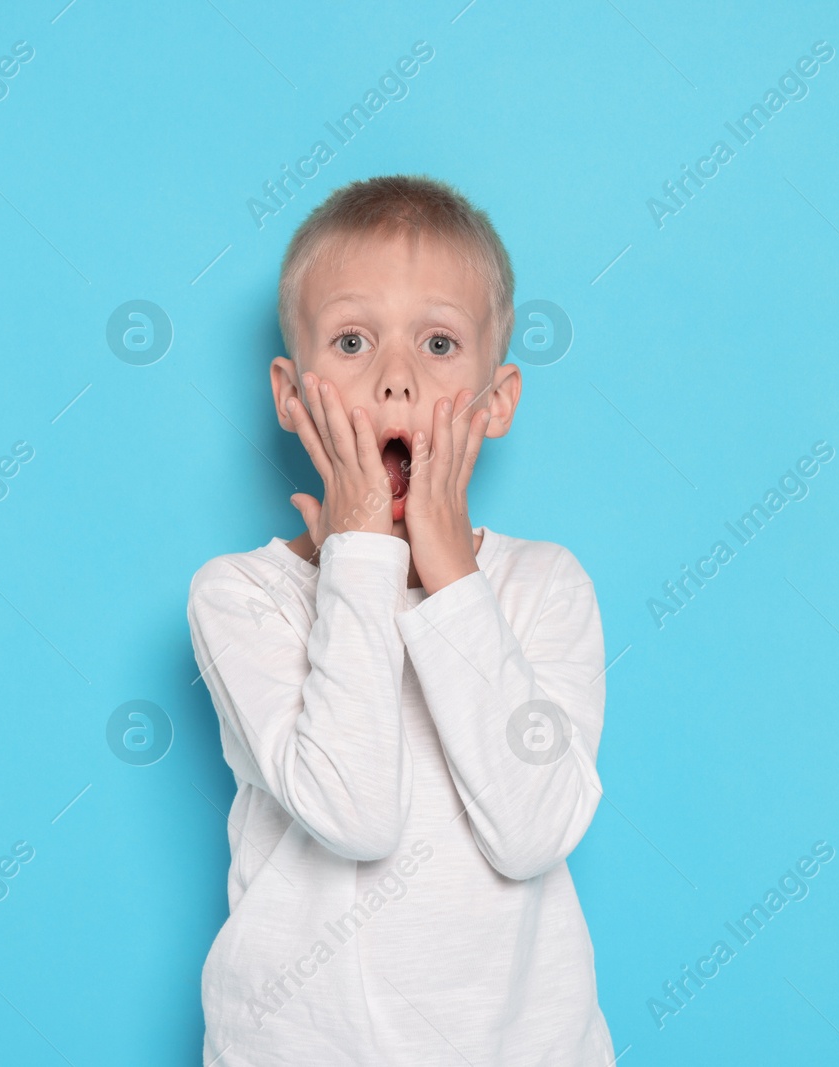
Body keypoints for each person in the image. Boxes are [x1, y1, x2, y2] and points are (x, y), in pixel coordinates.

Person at [187, 174, 614, 1065]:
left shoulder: (545, 587)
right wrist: (359, 558)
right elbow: (355, 813)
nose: (395, 379)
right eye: (351, 340)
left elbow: (534, 831)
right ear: (292, 394)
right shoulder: (240, 596)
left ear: (495, 402)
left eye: (439, 343)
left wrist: (450, 572)